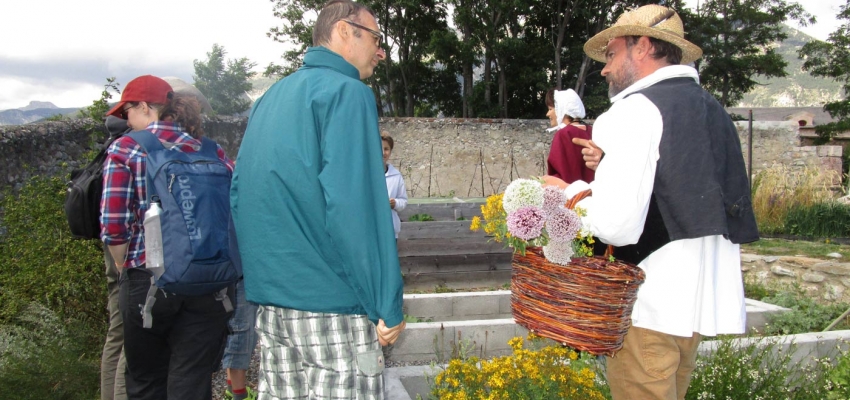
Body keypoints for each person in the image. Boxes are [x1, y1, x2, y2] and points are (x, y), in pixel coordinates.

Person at [545, 5, 759, 400]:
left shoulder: (632, 111)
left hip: (646, 303)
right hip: (692, 304)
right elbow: (678, 188)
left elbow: (617, 225)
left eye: (611, 54)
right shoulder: (713, 110)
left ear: (642, 47)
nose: (605, 69)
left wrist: (568, 193)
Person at [229, 1, 406, 399]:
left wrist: (263, 279)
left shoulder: (270, 98)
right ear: (345, 31)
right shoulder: (348, 92)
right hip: (333, 304)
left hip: (273, 305)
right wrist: (387, 301)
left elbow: (240, 195)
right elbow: (356, 209)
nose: (380, 52)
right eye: (376, 39)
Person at [100, 75, 235, 400]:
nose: (125, 120)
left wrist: (123, 265)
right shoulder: (212, 149)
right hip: (211, 284)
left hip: (149, 283)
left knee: (147, 382)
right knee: (192, 381)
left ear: (145, 107)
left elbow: (113, 224)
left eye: (127, 111)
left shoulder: (127, 148)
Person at [545, 88, 594, 184]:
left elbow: (559, 177)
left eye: (550, 109)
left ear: (561, 108)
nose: (548, 114)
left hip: (571, 196)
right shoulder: (591, 131)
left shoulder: (563, 134)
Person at [221, 277, 258, 400]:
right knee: (241, 335)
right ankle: (240, 395)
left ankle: (232, 390)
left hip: (234, 274)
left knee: (237, 331)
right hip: (241, 274)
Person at [382, 134, 408, 239]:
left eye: (386, 149)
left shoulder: (396, 175)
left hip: (390, 231)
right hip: (370, 231)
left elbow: (403, 200)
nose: (383, 153)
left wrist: (395, 203)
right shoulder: (367, 175)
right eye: (380, 148)